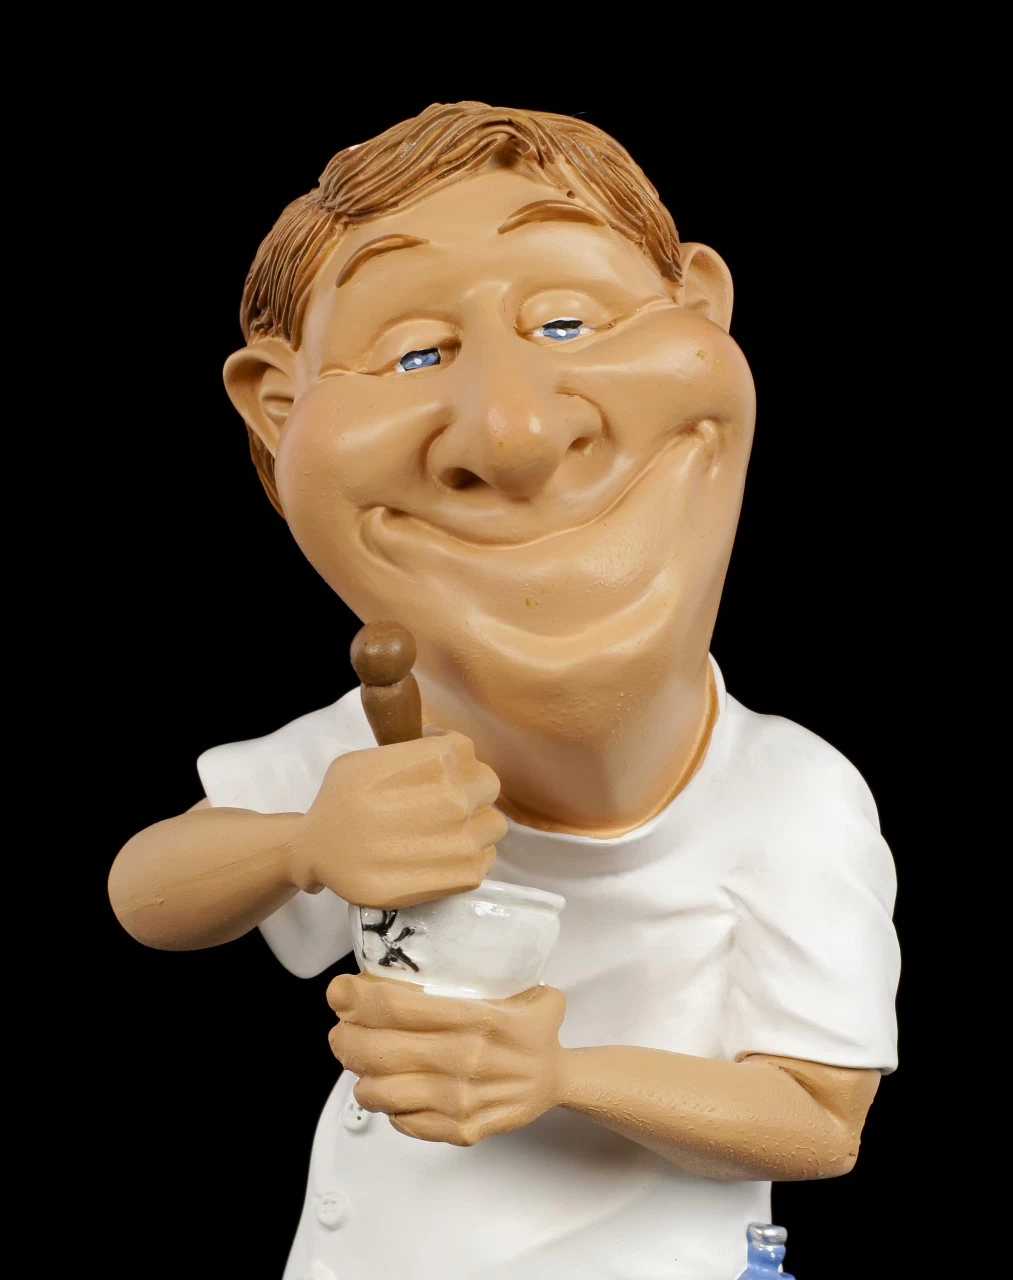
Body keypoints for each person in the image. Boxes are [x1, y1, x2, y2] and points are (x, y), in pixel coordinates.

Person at [107, 102, 900, 1280]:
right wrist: (302, 843)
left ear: (698, 310)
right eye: (415, 354)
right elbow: (148, 889)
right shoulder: (383, 742)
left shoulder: (787, 796)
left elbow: (819, 1121)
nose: (514, 430)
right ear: (278, 412)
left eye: (567, 321)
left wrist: (554, 1074)